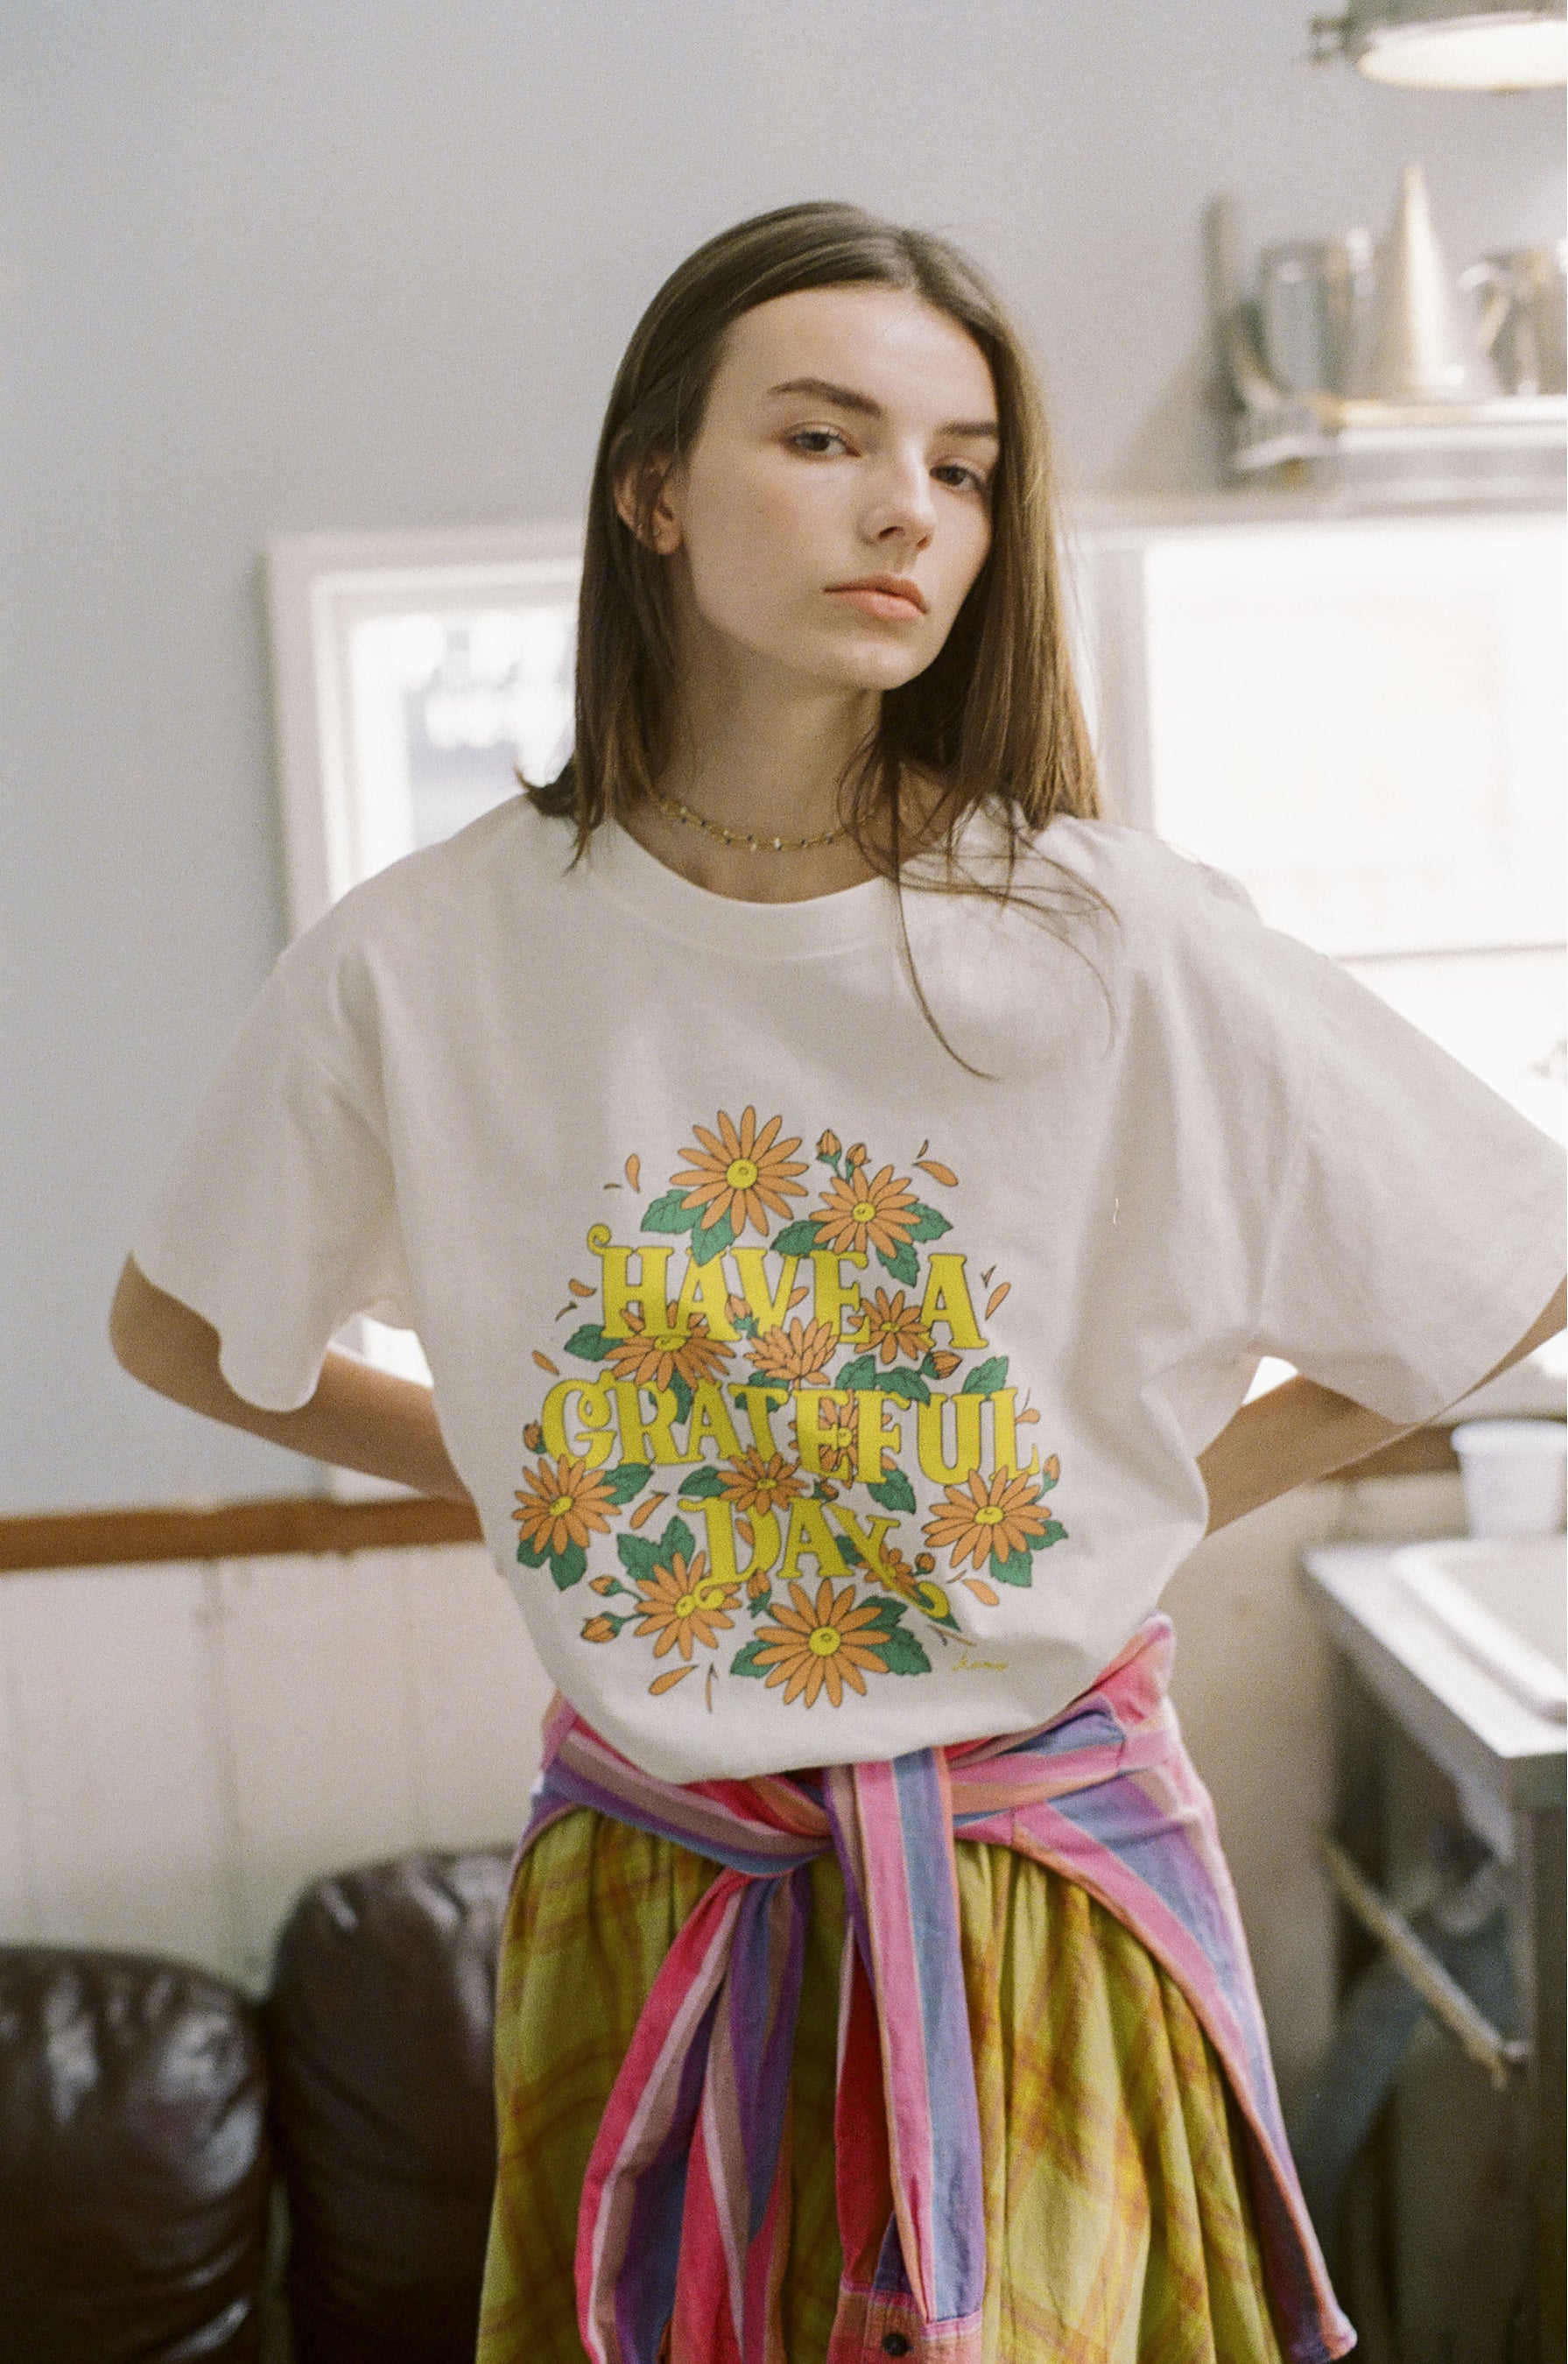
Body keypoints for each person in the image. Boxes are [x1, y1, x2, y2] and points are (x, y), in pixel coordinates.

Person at [111, 202, 1565, 2364]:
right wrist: (560, 1479)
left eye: (960, 468)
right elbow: (181, 1332)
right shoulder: (426, 958)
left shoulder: (1102, 931)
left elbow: (1504, 1267)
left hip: (1033, 1893)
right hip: (657, 1890)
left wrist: (1153, 1498)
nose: (905, 509)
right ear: (653, 488)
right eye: (823, 438)